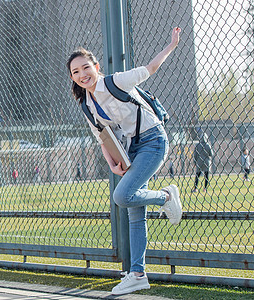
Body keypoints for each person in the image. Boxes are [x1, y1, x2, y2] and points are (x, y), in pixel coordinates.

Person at [67, 27, 183, 296]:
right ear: (72, 77)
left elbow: (150, 68)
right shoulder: (86, 102)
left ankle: (166, 197)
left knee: (123, 196)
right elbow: (101, 135)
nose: (82, 75)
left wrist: (172, 44)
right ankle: (138, 274)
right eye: (76, 72)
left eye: (86, 68)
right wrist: (111, 163)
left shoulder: (115, 82)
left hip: (153, 141)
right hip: (130, 150)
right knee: (134, 211)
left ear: (96, 67)